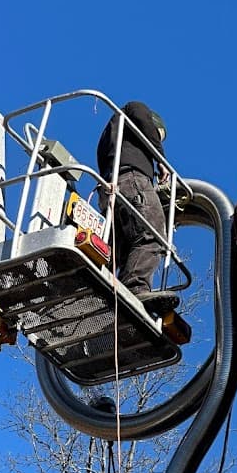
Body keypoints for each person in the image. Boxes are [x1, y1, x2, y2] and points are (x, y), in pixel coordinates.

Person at [96, 101, 179, 314]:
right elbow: (139, 113)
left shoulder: (111, 139)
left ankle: (100, 298)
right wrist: (160, 159)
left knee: (118, 249)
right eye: (156, 136)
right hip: (132, 180)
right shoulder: (135, 109)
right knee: (152, 234)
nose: (154, 141)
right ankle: (135, 288)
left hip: (110, 188)